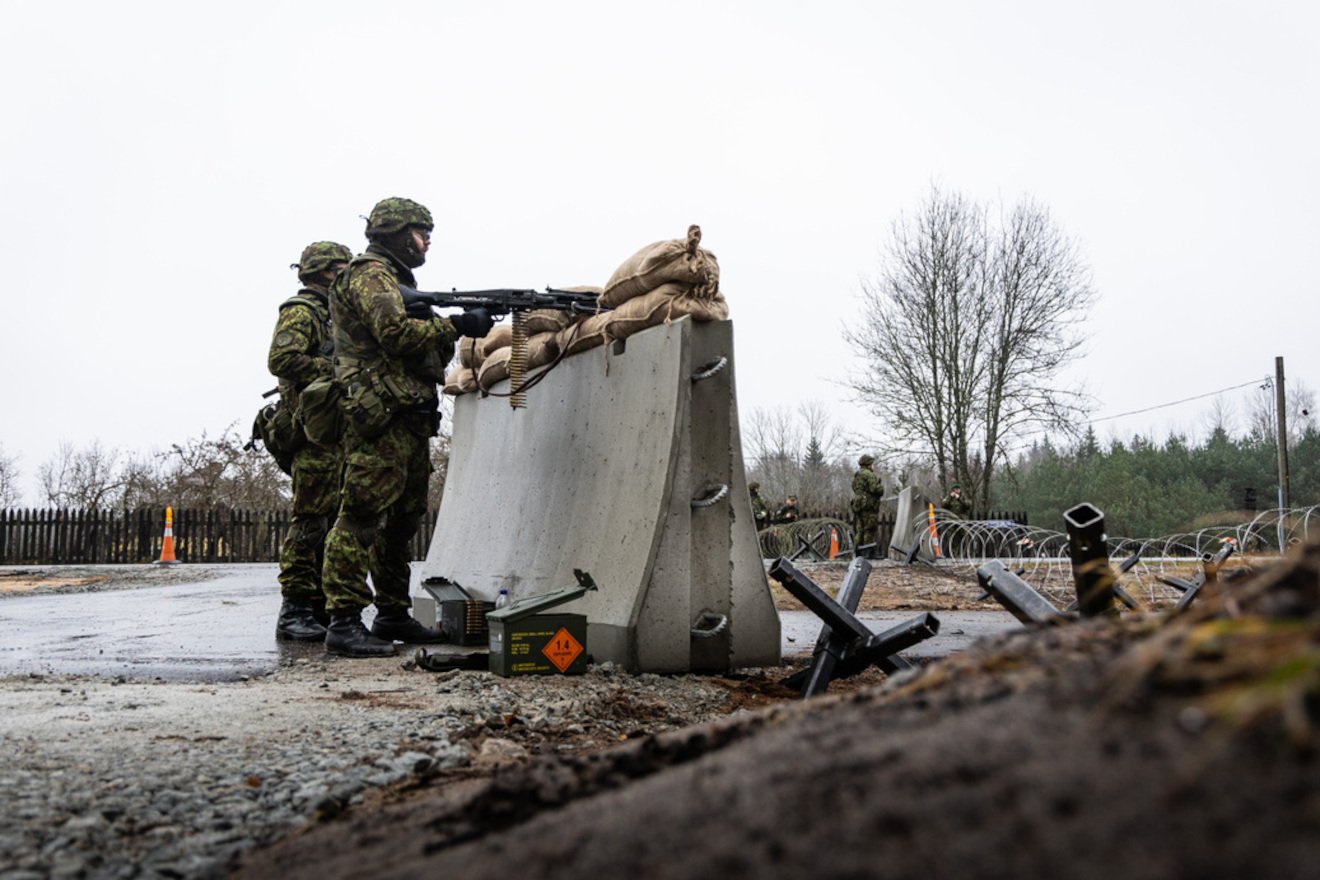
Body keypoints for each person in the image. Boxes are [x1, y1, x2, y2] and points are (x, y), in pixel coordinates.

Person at [320, 197, 494, 658]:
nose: (428, 240)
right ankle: (343, 619)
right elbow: (393, 334)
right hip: (381, 416)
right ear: (397, 233)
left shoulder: (395, 281)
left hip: (407, 415)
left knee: (401, 522)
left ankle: (392, 613)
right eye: (421, 232)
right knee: (361, 515)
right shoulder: (370, 274)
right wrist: (456, 325)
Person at [269, 241, 353, 641]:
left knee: (331, 518)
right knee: (310, 520)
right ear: (324, 272)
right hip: (310, 433)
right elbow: (281, 360)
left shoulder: (336, 313)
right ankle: (295, 608)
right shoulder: (302, 310)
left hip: (333, 430)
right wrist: (334, 367)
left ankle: (317, 606)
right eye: (342, 268)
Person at [850, 454, 884, 554]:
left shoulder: (857, 475)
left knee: (859, 529)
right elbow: (874, 489)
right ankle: (867, 552)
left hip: (858, 505)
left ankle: (857, 552)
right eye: (872, 464)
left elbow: (855, 488)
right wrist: (880, 488)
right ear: (869, 464)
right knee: (869, 529)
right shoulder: (869, 475)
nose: (873, 466)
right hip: (868, 505)